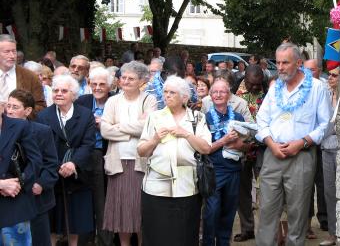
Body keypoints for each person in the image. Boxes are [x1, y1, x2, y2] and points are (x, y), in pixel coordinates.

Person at [255, 43, 331, 246]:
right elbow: (261, 121)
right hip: (273, 154)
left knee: (297, 215)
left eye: (285, 63)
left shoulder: (316, 87)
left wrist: (302, 142)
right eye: (278, 62)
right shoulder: (275, 88)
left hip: (302, 156)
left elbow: (325, 125)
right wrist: (270, 144)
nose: (279, 67)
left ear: (298, 63)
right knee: (267, 212)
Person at [138, 76, 212, 246]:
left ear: (184, 97)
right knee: (155, 234)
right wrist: (155, 139)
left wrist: (185, 133)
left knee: (184, 236)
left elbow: (206, 148)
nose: (167, 96)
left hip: (187, 188)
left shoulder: (197, 118)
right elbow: (142, 151)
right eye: (165, 92)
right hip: (156, 188)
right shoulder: (154, 117)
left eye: (173, 92)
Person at [100, 61, 157, 246]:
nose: (125, 81)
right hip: (117, 164)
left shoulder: (149, 100)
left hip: (141, 163)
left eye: (131, 78)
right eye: (123, 77)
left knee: (140, 211)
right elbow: (105, 131)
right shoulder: (112, 101)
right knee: (122, 213)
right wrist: (133, 129)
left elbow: (148, 128)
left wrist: (119, 126)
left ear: (141, 80)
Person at [36, 74, 96, 246]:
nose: (59, 94)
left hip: (77, 174)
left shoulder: (85, 115)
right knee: (53, 221)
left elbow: (88, 144)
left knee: (75, 221)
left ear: (73, 94)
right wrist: (57, 166)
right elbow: (41, 148)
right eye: (55, 90)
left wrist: (73, 163)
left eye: (64, 90)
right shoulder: (44, 116)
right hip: (52, 174)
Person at [5, 90, 59, 246]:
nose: (9, 110)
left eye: (15, 107)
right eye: (8, 106)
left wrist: (41, 183)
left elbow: (51, 163)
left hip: (35, 198)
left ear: (27, 111)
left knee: (37, 240)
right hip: (8, 196)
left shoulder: (42, 131)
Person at [74, 67, 115, 246]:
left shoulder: (116, 101)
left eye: (102, 84)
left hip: (106, 153)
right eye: (94, 84)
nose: (97, 87)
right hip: (83, 154)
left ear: (110, 85)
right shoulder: (82, 101)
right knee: (84, 198)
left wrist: (104, 125)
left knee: (102, 200)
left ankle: (105, 241)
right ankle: (85, 240)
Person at [203, 79, 246, 246]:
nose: (219, 95)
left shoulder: (238, 117)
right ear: (210, 95)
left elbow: (247, 145)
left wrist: (241, 145)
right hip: (214, 171)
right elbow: (204, 148)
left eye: (222, 92)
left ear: (229, 95)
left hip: (234, 170)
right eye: (215, 92)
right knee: (212, 212)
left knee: (229, 213)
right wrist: (224, 140)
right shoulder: (204, 118)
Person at [0, 102, 42, 244]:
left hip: (15, 201)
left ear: (2, 106)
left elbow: (35, 160)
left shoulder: (20, 126)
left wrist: (19, 182)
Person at [233, 65, 266, 242]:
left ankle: (265, 230)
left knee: (266, 189)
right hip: (242, 148)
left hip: (262, 147)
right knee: (242, 190)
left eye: (258, 84)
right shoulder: (235, 94)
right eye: (252, 84)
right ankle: (247, 228)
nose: (255, 87)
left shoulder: (267, 92)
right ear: (245, 79)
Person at [303, 59, 329, 238]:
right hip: (305, 142)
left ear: (318, 70)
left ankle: (325, 219)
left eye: (312, 70)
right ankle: (306, 223)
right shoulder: (300, 89)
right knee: (306, 185)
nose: (309, 73)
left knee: (323, 182)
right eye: (306, 70)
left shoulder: (326, 86)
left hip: (322, 143)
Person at [319, 61, 340, 246]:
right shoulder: (324, 93)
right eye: (329, 75)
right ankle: (333, 234)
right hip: (326, 147)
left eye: (334, 75)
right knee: (329, 192)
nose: (330, 78)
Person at [0, 35, 45, 114]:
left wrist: (21, 112)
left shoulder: (30, 77)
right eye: (7, 52)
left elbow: (41, 106)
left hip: (22, 124)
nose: (12, 56)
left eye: (14, 51)